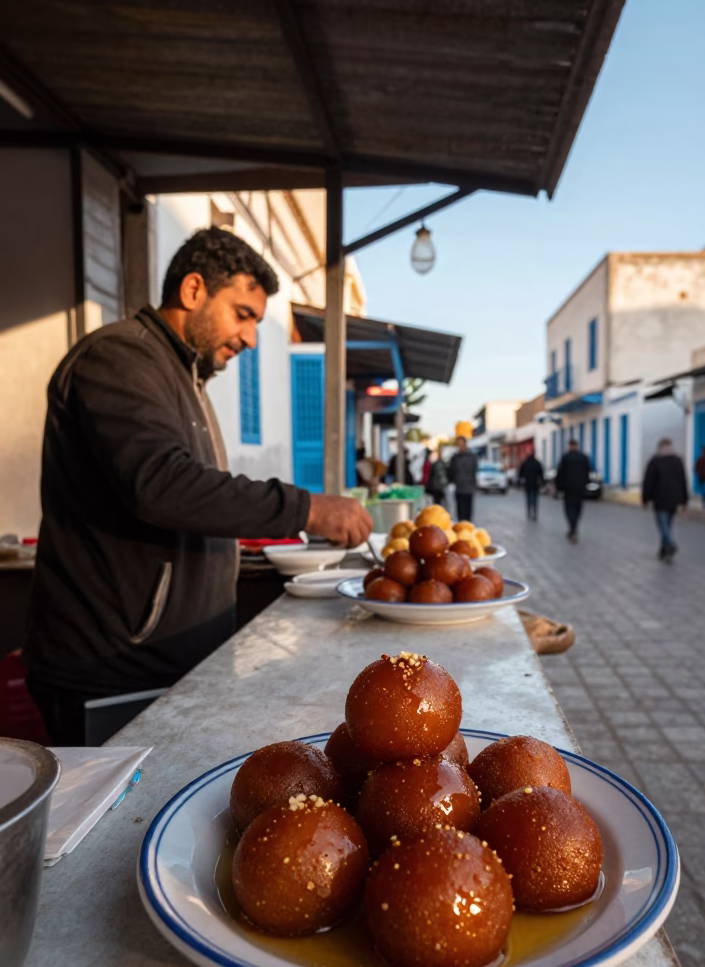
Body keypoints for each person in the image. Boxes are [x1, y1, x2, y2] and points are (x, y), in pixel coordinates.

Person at [23, 226, 372, 744]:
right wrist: (306, 509)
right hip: (112, 669)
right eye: (243, 314)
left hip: (172, 663)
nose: (251, 338)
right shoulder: (119, 358)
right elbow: (161, 485)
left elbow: (200, 500)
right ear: (192, 292)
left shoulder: (183, 375)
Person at [642, 438, 689, 562]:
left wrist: (645, 498)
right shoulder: (678, 461)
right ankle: (664, 551)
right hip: (674, 499)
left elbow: (648, 481)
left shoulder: (655, 461)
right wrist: (684, 500)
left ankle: (670, 544)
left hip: (660, 499)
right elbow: (683, 481)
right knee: (668, 525)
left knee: (663, 526)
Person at [555, 438, 591, 543]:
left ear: (570, 446)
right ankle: (574, 527)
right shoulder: (583, 458)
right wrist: (585, 484)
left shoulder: (565, 458)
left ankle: (572, 526)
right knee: (578, 509)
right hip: (579, 489)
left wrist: (559, 487)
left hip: (568, 489)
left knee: (568, 509)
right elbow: (587, 472)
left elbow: (560, 473)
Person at [448, 436, 478, 522]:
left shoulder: (472, 457)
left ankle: (467, 528)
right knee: (460, 512)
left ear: (465, 444)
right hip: (459, 489)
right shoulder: (455, 458)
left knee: (468, 513)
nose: (460, 446)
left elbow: (474, 470)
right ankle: (461, 527)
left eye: (461, 444)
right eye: (458, 444)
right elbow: (451, 472)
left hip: (469, 488)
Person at [518, 451, 544, 520]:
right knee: (535, 500)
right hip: (535, 484)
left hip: (528, 484)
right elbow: (541, 474)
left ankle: (529, 512)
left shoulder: (525, 463)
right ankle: (535, 513)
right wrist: (542, 482)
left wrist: (520, 482)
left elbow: (521, 473)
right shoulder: (537, 463)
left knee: (529, 499)